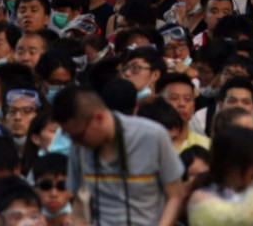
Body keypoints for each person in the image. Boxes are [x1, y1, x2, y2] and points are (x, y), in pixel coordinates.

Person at [53, 86, 188, 226]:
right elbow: (79, 201)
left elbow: (175, 195)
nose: (75, 142)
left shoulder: (152, 136)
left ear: (98, 118)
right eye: (70, 136)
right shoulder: (79, 146)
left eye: (79, 136)